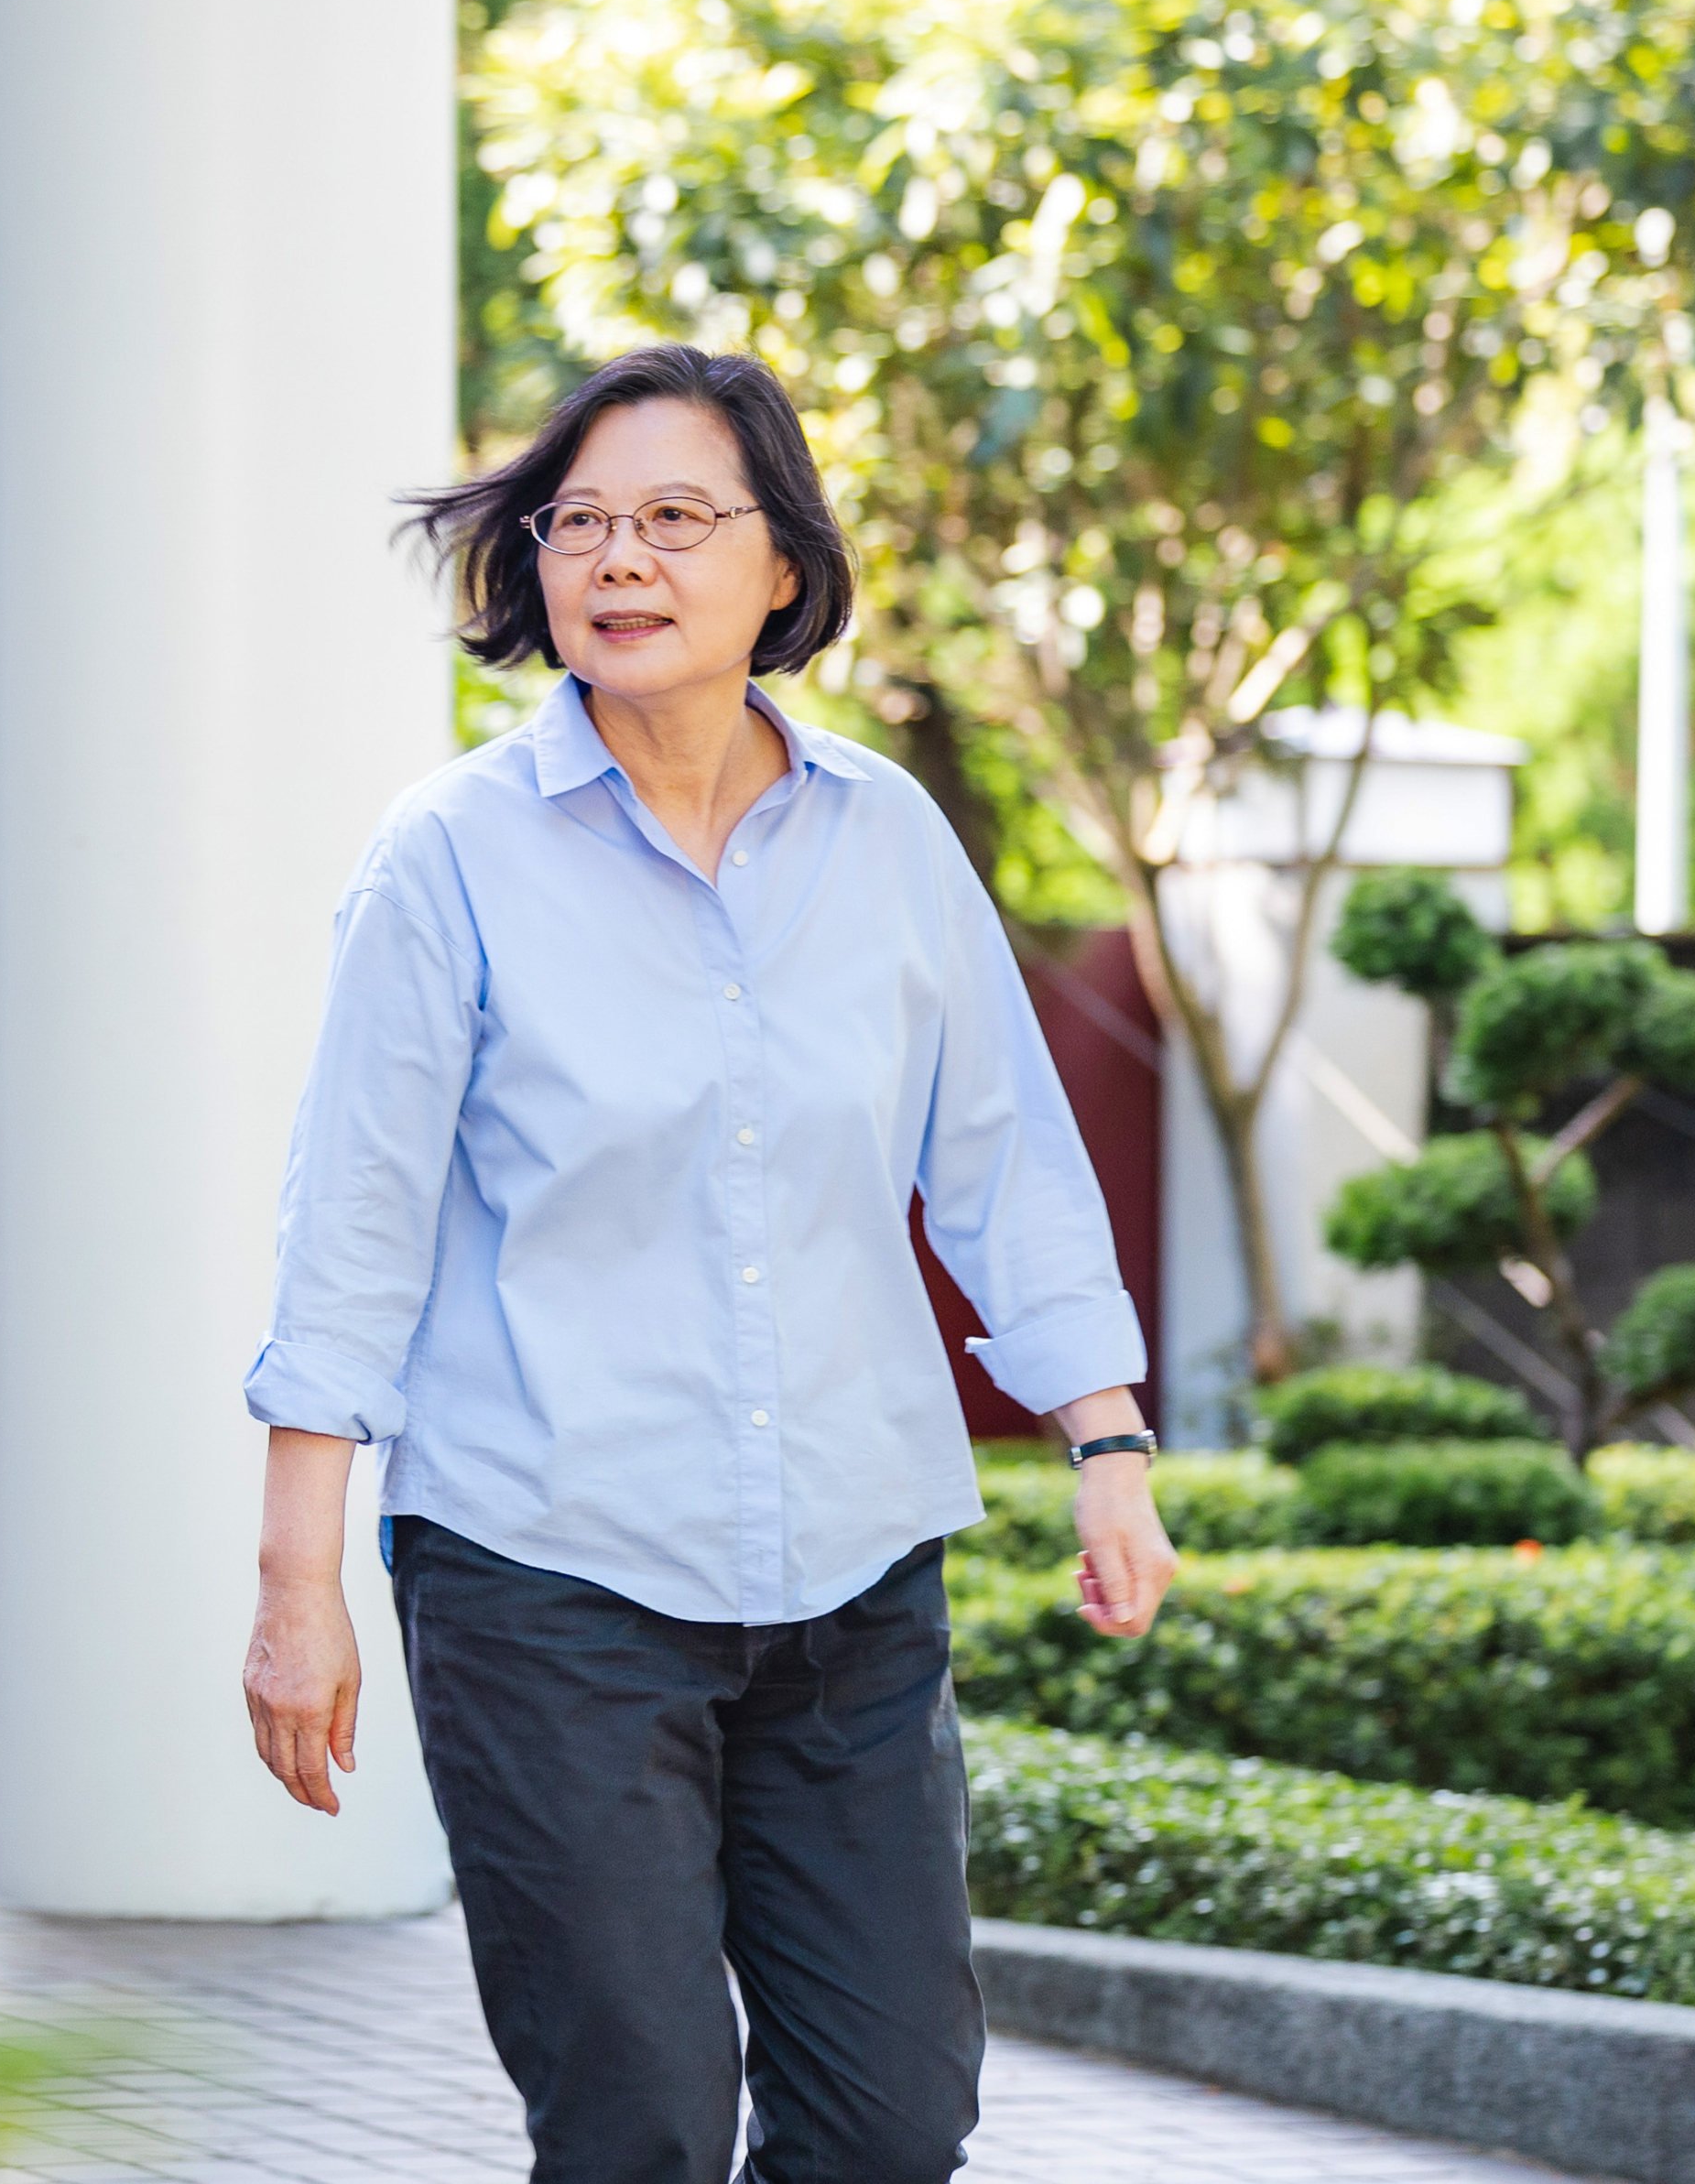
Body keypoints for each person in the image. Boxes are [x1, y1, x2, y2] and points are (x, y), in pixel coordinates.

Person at [236, 343, 1177, 2184]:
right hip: (545, 1575)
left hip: (848, 1577)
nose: (617, 559)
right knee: (638, 2125)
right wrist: (297, 1581)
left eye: (675, 518)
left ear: (779, 566)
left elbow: (997, 1157)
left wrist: (1107, 1442)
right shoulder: (447, 861)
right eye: (575, 522)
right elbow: (350, 1230)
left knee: (892, 2121)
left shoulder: (886, 837)